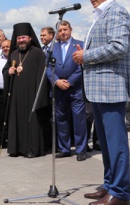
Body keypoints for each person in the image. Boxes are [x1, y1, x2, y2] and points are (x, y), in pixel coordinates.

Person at [73, 0, 130, 205]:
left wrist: (86, 56)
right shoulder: (100, 15)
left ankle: (120, 192)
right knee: (105, 142)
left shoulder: (116, 12)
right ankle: (110, 183)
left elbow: (119, 47)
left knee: (116, 142)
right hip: (98, 90)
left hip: (111, 89)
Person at [3, 22, 50, 158]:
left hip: (32, 96)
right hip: (17, 96)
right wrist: (9, 72)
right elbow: (5, 70)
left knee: (32, 123)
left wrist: (39, 97)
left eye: (23, 37)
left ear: (30, 38)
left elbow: (42, 76)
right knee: (17, 121)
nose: (21, 40)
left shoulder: (38, 54)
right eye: (18, 38)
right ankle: (16, 148)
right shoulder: (13, 54)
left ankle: (32, 149)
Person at [46, 21, 88, 161]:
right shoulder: (53, 47)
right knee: (61, 119)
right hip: (58, 89)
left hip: (75, 89)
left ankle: (81, 149)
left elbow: (81, 68)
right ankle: (64, 148)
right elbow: (47, 67)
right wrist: (56, 81)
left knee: (79, 120)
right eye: (60, 30)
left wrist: (70, 82)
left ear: (71, 29)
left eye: (65, 29)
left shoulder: (80, 45)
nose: (63, 32)